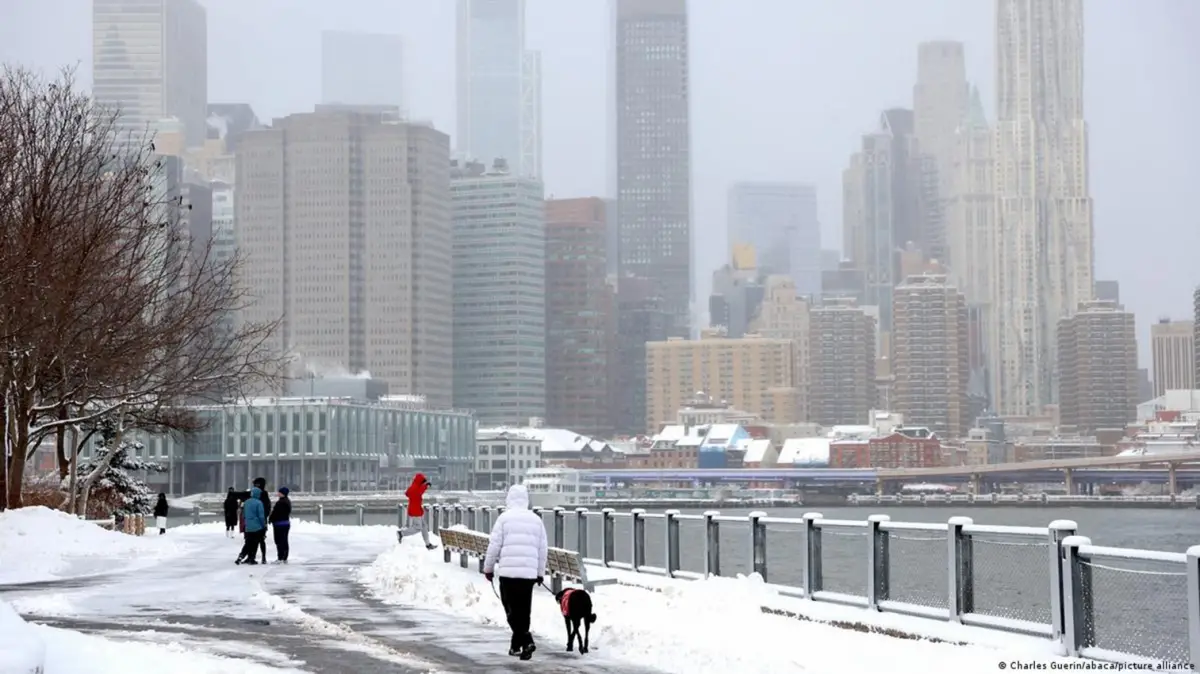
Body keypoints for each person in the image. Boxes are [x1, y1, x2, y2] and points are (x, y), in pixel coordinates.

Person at [482, 484, 547, 661]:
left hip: (508, 574)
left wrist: (488, 569)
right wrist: (540, 572)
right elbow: (542, 549)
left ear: (509, 498)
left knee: (511, 610)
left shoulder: (504, 519)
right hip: (528, 575)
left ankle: (527, 640)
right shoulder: (536, 520)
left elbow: (494, 545)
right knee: (524, 611)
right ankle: (517, 646)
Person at [234, 477, 273, 563]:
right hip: (259, 522)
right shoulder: (261, 498)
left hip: (249, 524)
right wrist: (263, 523)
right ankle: (257, 558)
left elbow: (243, 513)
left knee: (249, 541)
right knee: (259, 540)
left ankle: (246, 556)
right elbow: (265, 511)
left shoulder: (249, 499)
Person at [398, 473, 436, 550]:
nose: (423, 483)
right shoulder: (415, 488)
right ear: (419, 481)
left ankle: (428, 544)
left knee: (424, 526)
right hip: (415, 510)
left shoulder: (415, 486)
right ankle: (401, 533)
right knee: (418, 527)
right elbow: (415, 491)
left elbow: (417, 490)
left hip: (417, 509)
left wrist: (426, 486)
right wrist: (426, 486)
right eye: (422, 481)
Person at [269, 486, 292, 564]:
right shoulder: (287, 501)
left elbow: (276, 513)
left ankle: (280, 557)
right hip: (286, 523)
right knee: (284, 540)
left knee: (279, 541)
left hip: (279, 524)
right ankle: (284, 557)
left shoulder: (280, 502)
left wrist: (271, 518)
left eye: (279, 492)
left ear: (283, 493)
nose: (278, 493)